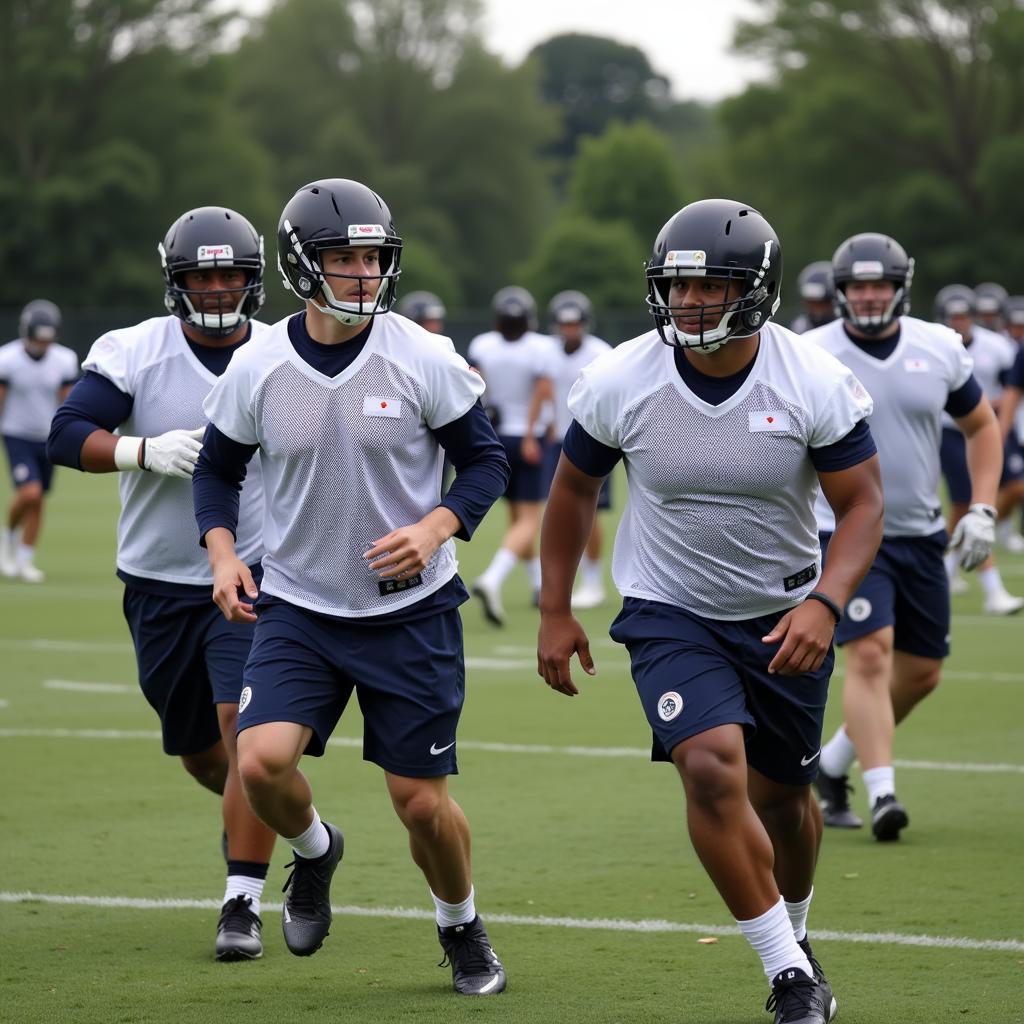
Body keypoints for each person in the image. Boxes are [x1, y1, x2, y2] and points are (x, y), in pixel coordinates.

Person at [538, 198, 883, 1024]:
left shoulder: (813, 380)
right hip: (670, 610)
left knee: (786, 808)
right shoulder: (624, 376)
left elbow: (864, 504)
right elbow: (574, 488)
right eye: (679, 286)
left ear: (754, 290)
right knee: (709, 767)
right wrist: (555, 607)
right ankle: (786, 975)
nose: (690, 303)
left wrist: (828, 603)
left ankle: (796, 937)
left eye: (712, 285)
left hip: (783, 614)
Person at [193, 178, 510, 995]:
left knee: (420, 804)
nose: (364, 272)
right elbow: (218, 470)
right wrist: (224, 555)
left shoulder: (423, 356)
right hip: (299, 604)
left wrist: (437, 527)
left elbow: (486, 462)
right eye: (344, 257)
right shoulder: (258, 362)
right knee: (259, 765)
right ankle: (315, 850)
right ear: (303, 265)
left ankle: (461, 925)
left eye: (372, 256)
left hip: (410, 611)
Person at [46, 206, 277, 961]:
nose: (217, 289)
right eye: (202, 275)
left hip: (256, 571)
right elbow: (66, 433)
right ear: (176, 281)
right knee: (202, 756)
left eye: (231, 274)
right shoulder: (136, 350)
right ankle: (307, 832)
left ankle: (240, 902)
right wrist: (140, 451)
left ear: (255, 279)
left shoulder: (283, 352)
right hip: (157, 580)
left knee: (245, 743)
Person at [808, 234, 1004, 841]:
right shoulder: (809, 353)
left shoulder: (937, 346)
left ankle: (832, 764)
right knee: (870, 655)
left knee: (922, 672)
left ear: (900, 288)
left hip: (920, 531)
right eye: (857, 286)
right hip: (844, 531)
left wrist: (982, 507)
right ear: (840, 293)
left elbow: (982, 426)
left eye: (879, 285)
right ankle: (883, 791)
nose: (868, 296)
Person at [468, 286, 555, 625]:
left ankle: (538, 586)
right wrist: (534, 434)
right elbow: (543, 393)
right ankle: (492, 579)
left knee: (517, 518)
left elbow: (477, 386)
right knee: (530, 520)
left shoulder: (482, 344)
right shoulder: (542, 348)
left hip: (496, 435)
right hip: (527, 438)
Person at [933, 285, 1024, 599]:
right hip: (950, 432)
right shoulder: (936, 344)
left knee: (1012, 488)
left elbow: (1012, 385)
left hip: (990, 426)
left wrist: (997, 407)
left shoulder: (996, 346)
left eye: (964, 316)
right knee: (968, 503)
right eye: (953, 316)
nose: (959, 322)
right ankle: (993, 589)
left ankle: (946, 563)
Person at [542, 290, 612, 609]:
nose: (569, 329)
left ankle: (594, 582)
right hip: (558, 439)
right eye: (564, 324)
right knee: (561, 509)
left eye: (574, 323)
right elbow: (543, 392)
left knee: (591, 512)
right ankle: (569, 582)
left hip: (594, 437)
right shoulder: (547, 352)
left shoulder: (601, 352)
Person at [0, 300, 79, 581]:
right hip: (16, 433)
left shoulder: (65, 359)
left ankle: (24, 560)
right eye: (37, 338)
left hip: (48, 437)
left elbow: (67, 401)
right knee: (29, 492)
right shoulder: (6, 359)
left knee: (38, 501)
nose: (42, 345)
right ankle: (6, 539)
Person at [789, 261, 836, 334]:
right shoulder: (800, 328)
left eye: (822, 304)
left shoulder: (848, 329)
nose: (817, 311)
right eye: (811, 303)